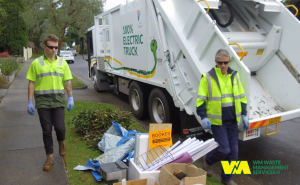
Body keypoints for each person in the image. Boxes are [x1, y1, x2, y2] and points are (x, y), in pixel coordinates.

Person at [196, 49, 249, 185]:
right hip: (218, 122)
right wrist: (203, 116)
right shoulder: (207, 77)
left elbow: (241, 97)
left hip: (233, 121)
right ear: (216, 63)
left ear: (229, 62)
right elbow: (201, 99)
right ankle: (207, 160)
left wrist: (244, 114)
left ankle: (226, 179)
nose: (223, 65)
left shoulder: (235, 76)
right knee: (224, 150)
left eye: (226, 62)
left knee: (233, 154)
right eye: (220, 63)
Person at [26, 34, 74, 171]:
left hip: (58, 99)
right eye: (51, 47)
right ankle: (49, 157)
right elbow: (31, 82)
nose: (54, 50)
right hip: (42, 102)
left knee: (59, 127)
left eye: (56, 47)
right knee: (46, 130)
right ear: (44, 47)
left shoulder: (62, 63)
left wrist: (70, 97)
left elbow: (67, 81)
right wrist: (30, 101)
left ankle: (62, 142)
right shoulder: (36, 63)